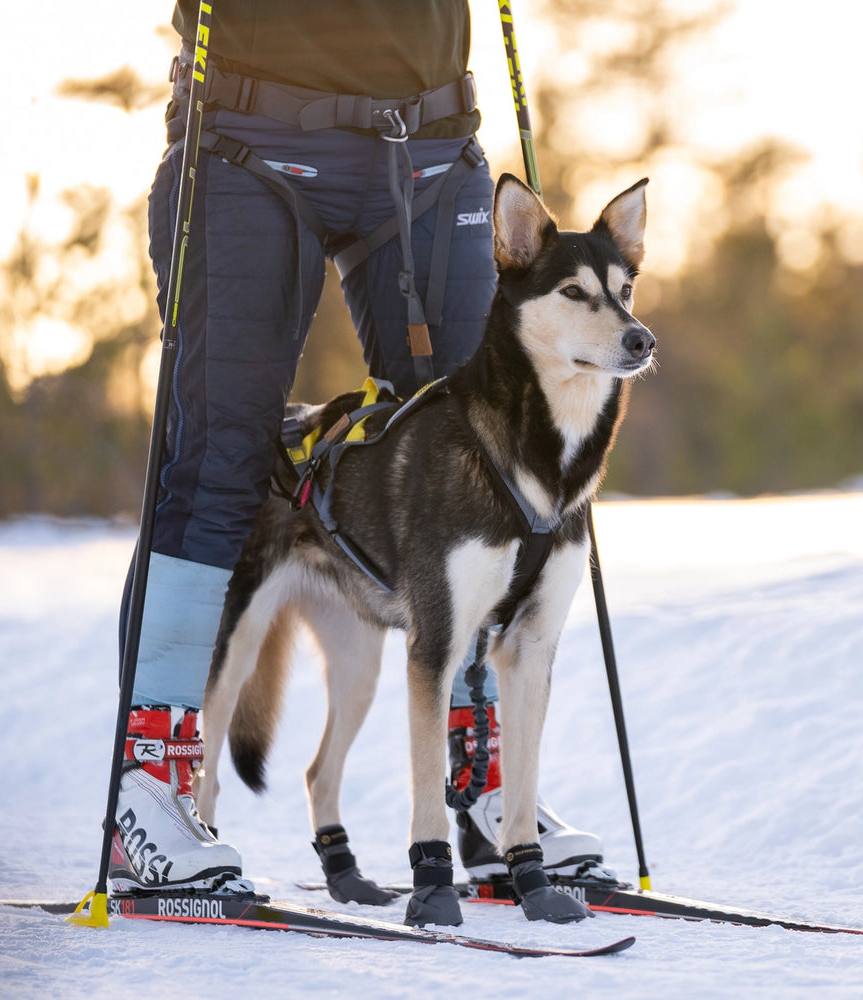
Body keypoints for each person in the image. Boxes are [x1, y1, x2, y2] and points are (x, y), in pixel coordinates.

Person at [110, 0, 606, 907]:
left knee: (499, 460)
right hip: (246, 136)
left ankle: (487, 794)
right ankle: (150, 790)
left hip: (430, 135)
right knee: (219, 466)